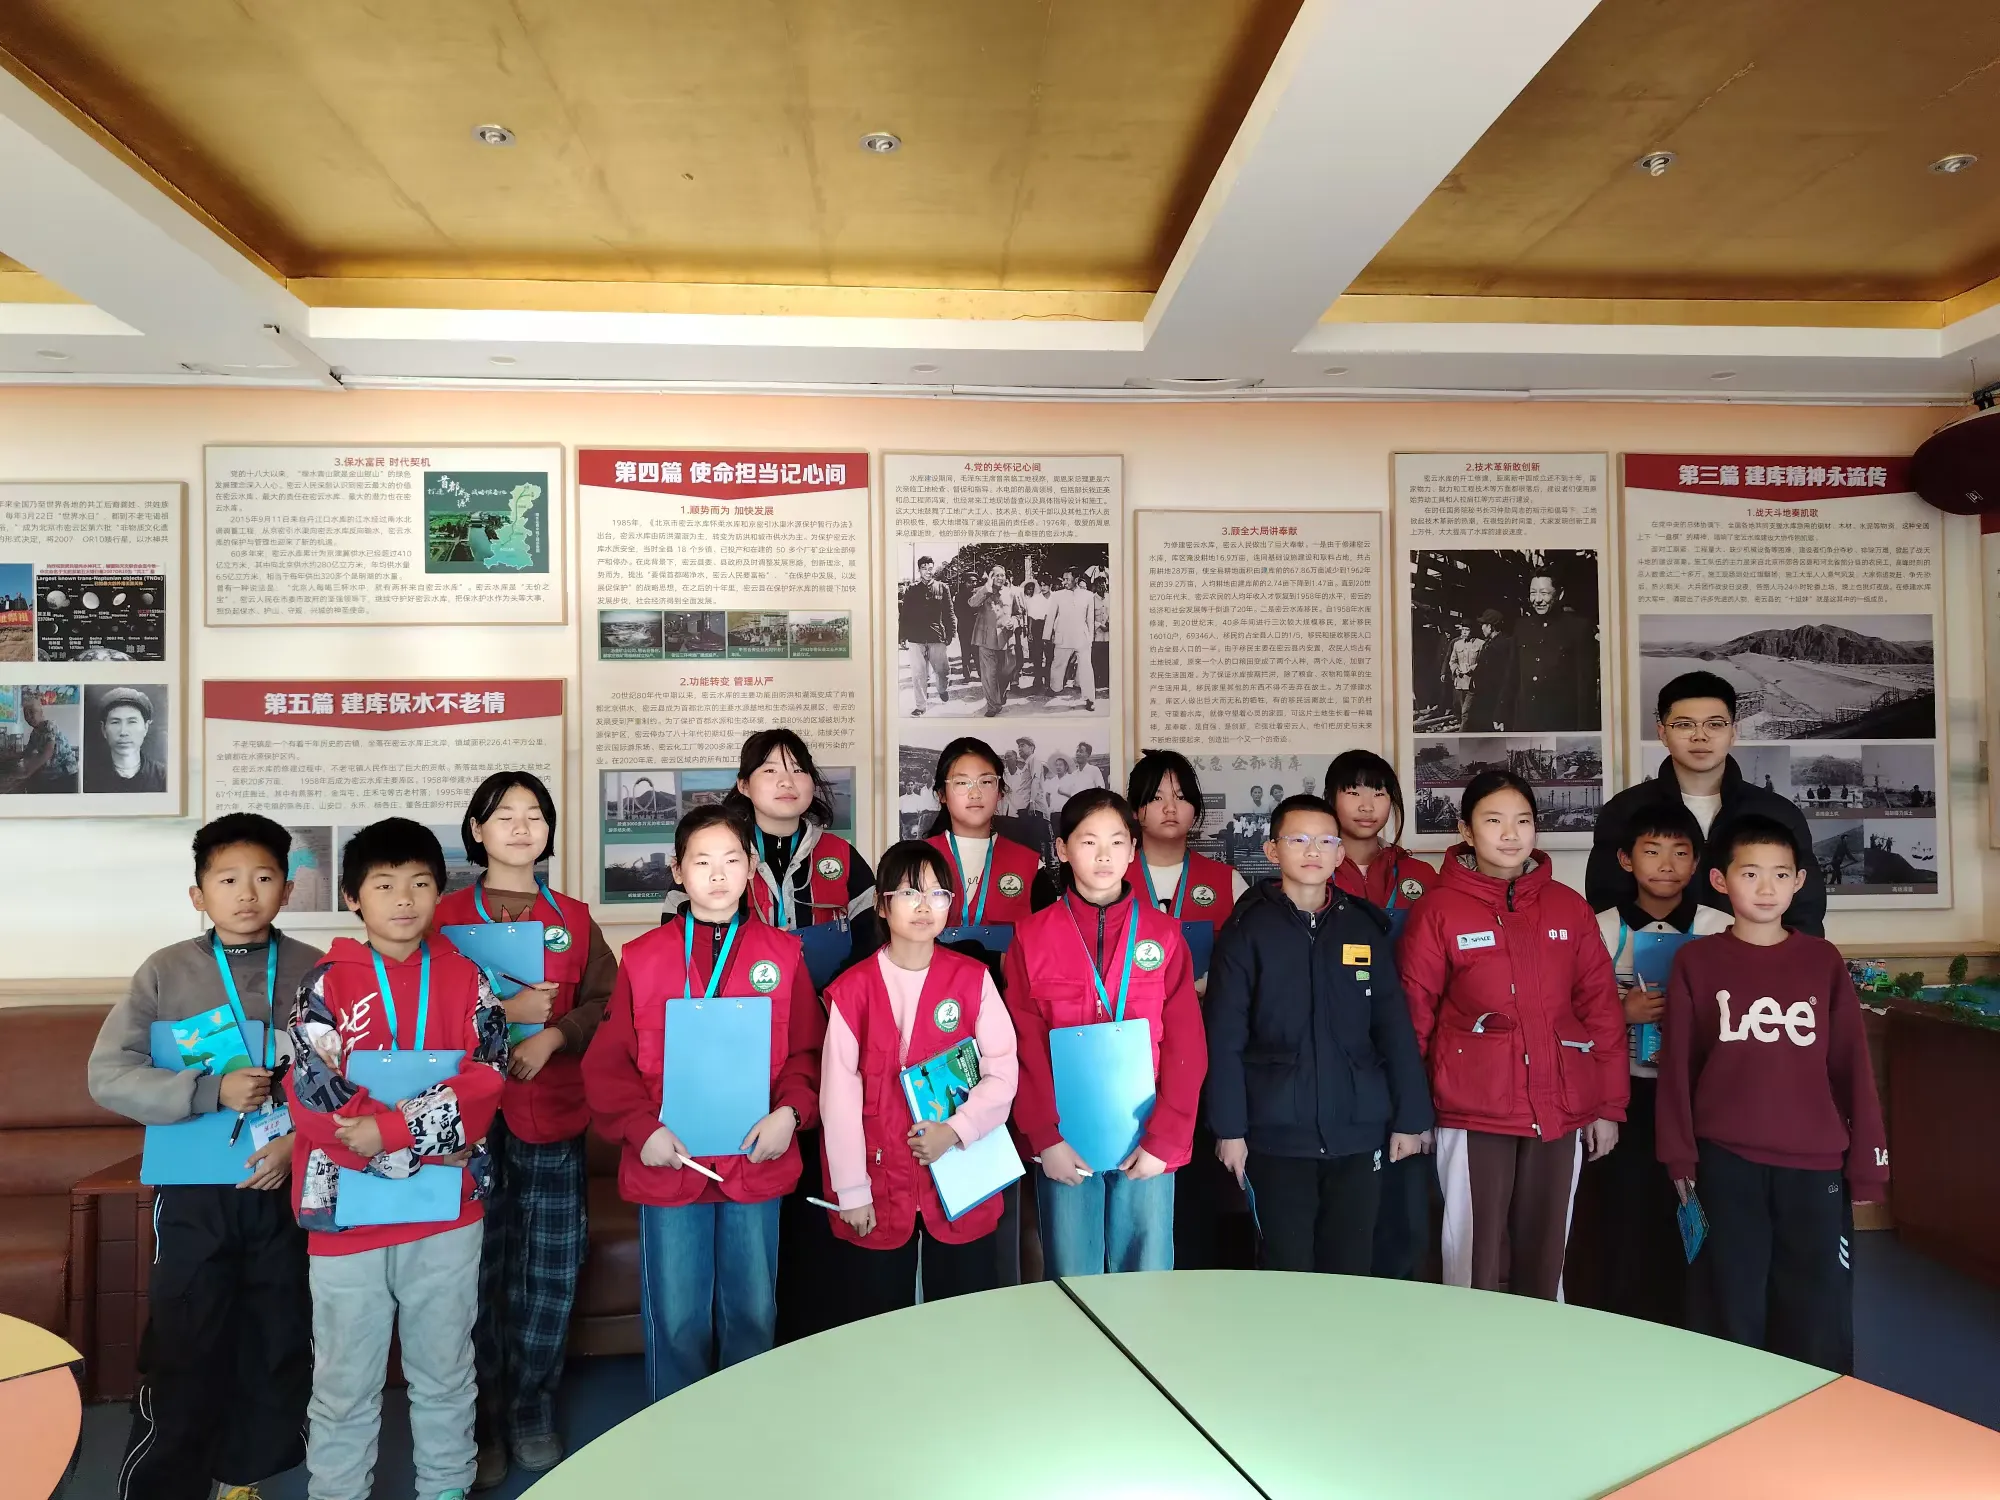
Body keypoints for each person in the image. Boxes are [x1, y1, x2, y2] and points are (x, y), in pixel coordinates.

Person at [87, 814, 322, 1500]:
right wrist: (206, 1090)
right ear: (198, 894)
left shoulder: (320, 970)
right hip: (194, 1196)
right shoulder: (165, 972)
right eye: (227, 879)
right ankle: (166, 1488)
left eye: (264, 877)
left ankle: (245, 1479)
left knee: (278, 1341)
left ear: (287, 889)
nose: (246, 893)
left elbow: (345, 1078)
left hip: (286, 1188)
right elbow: (109, 1075)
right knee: (186, 1343)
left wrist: (299, 1142)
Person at [288, 819, 508, 1500]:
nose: (404, 899)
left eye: (419, 883)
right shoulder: (325, 983)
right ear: (353, 897)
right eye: (384, 885)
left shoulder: (469, 979)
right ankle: (337, 1490)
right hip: (345, 1215)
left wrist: (389, 1131)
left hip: (446, 1210)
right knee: (342, 1377)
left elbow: (488, 1075)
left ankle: (446, 1485)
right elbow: (310, 1088)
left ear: (440, 891)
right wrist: (383, 1137)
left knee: (445, 1368)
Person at [581, 805, 824, 1401]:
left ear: (751, 869)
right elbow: (608, 1065)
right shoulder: (642, 957)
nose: (718, 875)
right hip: (671, 1162)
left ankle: (746, 1430)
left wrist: (790, 1114)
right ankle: (677, 1437)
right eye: (702, 861)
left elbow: (809, 1053)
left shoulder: (783, 954)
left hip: (754, 1159)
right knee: (676, 1319)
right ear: (678, 871)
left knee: (753, 1313)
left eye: (732, 860)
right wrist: (641, 1129)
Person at [432, 773, 616, 1486]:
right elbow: (417, 1006)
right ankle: (481, 1420)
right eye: (503, 814)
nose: (520, 826)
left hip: (550, 1111)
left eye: (534, 814)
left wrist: (556, 1035)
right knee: (475, 1272)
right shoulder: (443, 915)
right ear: (476, 830)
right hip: (466, 1124)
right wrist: (504, 1018)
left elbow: (608, 1001)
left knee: (549, 1270)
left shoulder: (574, 917)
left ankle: (532, 1407)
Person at [1655, 815, 1888, 1373]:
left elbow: (1852, 1068)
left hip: (1814, 1165)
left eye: (1780, 874)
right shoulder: (1696, 962)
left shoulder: (1822, 961)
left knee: (1815, 1305)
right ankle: (1729, 1406)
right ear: (1720, 881)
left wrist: (1868, 1165)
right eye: (1750, 873)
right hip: (1726, 1161)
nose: (1766, 888)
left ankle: (1814, 1409)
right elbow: (1678, 1068)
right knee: (1728, 1297)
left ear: (1798, 882)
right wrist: (1679, 1154)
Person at [1397, 771, 1625, 1299]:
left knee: (1547, 1255)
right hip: (1471, 1108)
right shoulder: (1438, 909)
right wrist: (1412, 1112)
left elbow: (1599, 1009)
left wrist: (1608, 1106)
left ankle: (1542, 1348)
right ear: (1466, 831)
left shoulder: (1568, 906)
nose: (1510, 834)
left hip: (1560, 1107)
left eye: (1522, 821)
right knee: (1473, 1258)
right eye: (1493, 820)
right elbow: (1414, 1016)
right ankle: (1471, 1346)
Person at [1206, 795, 1433, 1275]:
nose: (1313, 851)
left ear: (1339, 854)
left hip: (1358, 1130)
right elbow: (1224, 1038)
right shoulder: (1247, 930)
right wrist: (1229, 1130)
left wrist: (1411, 1118)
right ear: (1272, 851)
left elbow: (1393, 1027)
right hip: (1275, 1136)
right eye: (1298, 839)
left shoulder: (1363, 927)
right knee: (1286, 1267)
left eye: (1326, 841)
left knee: (1351, 1267)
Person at [708, 728, 875, 1344]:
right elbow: (688, 948)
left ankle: (816, 1334)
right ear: (744, 785)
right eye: (769, 770)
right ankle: (756, 1340)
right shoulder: (719, 853)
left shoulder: (842, 858)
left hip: (832, 1050)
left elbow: (872, 953)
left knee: (820, 1188)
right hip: (743, 1057)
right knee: (755, 1186)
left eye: (798, 769)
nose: (786, 781)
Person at [1002, 789, 1205, 1275]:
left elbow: (1187, 1046)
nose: (1103, 855)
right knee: (1072, 1276)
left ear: (1133, 850)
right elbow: (1024, 1047)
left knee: (1145, 1275)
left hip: (1146, 1134)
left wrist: (1165, 1139)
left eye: (1116, 842)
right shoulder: (1031, 937)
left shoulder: (1163, 934)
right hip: (1065, 1140)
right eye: (1088, 841)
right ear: (1062, 849)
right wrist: (1044, 1138)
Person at [819, 840, 1019, 1322]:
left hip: (961, 1170)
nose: (925, 905)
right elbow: (838, 1100)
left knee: (964, 1317)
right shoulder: (853, 990)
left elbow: (1003, 1071)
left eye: (937, 893)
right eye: (909, 893)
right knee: (880, 1321)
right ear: (882, 906)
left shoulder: (973, 980)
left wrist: (956, 1129)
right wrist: (852, 1190)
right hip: (880, 1181)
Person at [1568, 802, 1732, 1327]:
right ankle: (1620, 1319)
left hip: (1700, 1098)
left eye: (1680, 853)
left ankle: (1691, 1321)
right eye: (1652, 851)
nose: (1666, 864)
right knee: (1625, 1208)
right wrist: (1623, 1012)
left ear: (1698, 863)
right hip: (1624, 1095)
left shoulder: (1721, 928)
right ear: (1625, 859)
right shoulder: (1596, 928)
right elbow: (1566, 1014)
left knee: (1693, 1205)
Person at [1587, 671, 1825, 935]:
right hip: (1649, 956)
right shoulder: (1625, 810)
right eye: (1684, 725)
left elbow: (1805, 912)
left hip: (1752, 956)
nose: (1700, 736)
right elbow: (1606, 905)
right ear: (1662, 733)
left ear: (1733, 732)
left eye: (1715, 724)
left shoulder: (1777, 813)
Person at [1128, 750, 1249, 1269]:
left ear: (1197, 809)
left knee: (1204, 1187)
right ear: (1135, 809)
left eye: (1180, 796)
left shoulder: (1226, 881)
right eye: (1156, 797)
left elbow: (1250, 969)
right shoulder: (1111, 876)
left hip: (1207, 1053)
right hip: (1133, 1060)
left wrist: (1205, 987)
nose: (1169, 807)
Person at [1321, 751, 1440, 1279]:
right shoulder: (1317, 867)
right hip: (1341, 1048)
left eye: (1378, 792)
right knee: (1346, 1203)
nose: (1367, 804)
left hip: (1411, 1043)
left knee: (1407, 1203)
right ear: (1331, 799)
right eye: (1353, 791)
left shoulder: (1420, 874)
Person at [1504, 572, 1597, 732]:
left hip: (1561, 723)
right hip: (1525, 721)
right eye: (1533, 593)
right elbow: (1512, 673)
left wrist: (1583, 730)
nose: (1537, 599)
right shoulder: (1521, 626)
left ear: (1560, 594)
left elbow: (1585, 685)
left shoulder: (1578, 628)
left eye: (1544, 593)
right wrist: (1502, 712)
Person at [82, 685, 167, 792]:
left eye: (132, 722)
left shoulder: (165, 777)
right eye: (115, 722)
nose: (123, 732)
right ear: (103, 729)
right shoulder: (87, 779)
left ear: (146, 727)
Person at [899, 554, 956, 714]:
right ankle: (920, 706)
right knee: (918, 674)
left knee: (943, 671)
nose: (928, 571)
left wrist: (951, 632)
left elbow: (949, 612)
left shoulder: (943, 588)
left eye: (930, 568)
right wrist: (901, 635)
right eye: (924, 568)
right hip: (916, 637)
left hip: (936, 636)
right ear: (919, 570)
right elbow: (905, 614)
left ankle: (942, 689)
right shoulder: (911, 590)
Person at [0, 688, 79, 794]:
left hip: (67, 774)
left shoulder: (49, 726)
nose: (28, 717)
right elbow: (26, 753)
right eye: (26, 714)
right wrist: (7, 757)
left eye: (32, 712)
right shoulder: (35, 733)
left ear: (41, 712)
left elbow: (48, 752)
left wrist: (27, 773)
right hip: (53, 774)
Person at [967, 564, 1022, 717]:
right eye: (996, 575)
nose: (1000, 578)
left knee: (1007, 670)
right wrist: (987, 587)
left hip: (1006, 639)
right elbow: (972, 603)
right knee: (989, 674)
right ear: (990, 577)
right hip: (986, 640)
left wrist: (1014, 622)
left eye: (1002, 575)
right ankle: (992, 705)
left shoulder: (1011, 593)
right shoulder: (982, 591)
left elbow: (1018, 614)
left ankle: (1000, 694)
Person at [1046, 569, 1097, 711]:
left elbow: (1090, 619)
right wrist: (1047, 636)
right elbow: (1051, 616)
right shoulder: (1057, 596)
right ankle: (1054, 687)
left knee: (1086, 668)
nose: (1064, 582)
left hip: (1082, 638)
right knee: (1057, 664)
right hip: (1063, 637)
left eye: (1067, 579)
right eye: (1063, 579)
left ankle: (1090, 698)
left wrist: (1090, 638)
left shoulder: (1088, 595)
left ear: (1076, 579)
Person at [1462, 611, 1512, 732]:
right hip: (1483, 695)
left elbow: (1498, 673)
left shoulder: (1500, 645)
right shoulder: (1489, 642)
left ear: (1490, 626)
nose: (1481, 628)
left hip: (1491, 698)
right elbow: (1485, 665)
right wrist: (1474, 668)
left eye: (1483, 625)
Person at [1444, 623, 1482, 725]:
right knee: (1458, 709)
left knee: (1466, 712)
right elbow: (1452, 661)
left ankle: (1464, 731)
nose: (1464, 632)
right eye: (1463, 630)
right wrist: (1455, 669)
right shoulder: (1457, 644)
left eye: (1467, 630)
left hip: (1472, 683)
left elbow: (1483, 662)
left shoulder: (1480, 644)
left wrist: (1472, 668)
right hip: (1460, 682)